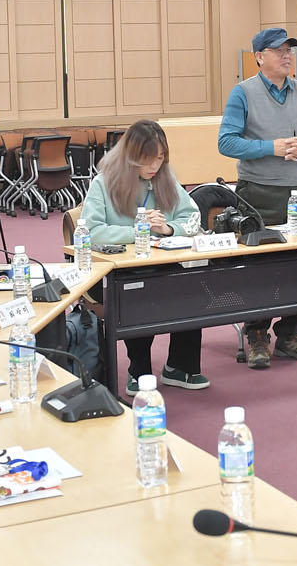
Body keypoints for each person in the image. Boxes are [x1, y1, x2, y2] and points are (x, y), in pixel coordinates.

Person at [217, 28, 297, 369]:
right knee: (258, 268)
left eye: (289, 50)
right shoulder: (243, 93)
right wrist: (272, 147)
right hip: (257, 193)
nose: (286, 56)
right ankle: (256, 334)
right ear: (259, 56)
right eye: (278, 50)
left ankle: (291, 333)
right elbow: (226, 142)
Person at [80, 120, 209, 395]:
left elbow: (192, 217)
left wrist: (168, 228)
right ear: (131, 156)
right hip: (114, 272)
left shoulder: (165, 178)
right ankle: (138, 370)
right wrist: (137, 231)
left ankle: (180, 366)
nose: (155, 166)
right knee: (138, 293)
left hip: (159, 264)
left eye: (160, 158)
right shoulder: (104, 183)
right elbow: (91, 230)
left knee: (191, 286)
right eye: (148, 159)